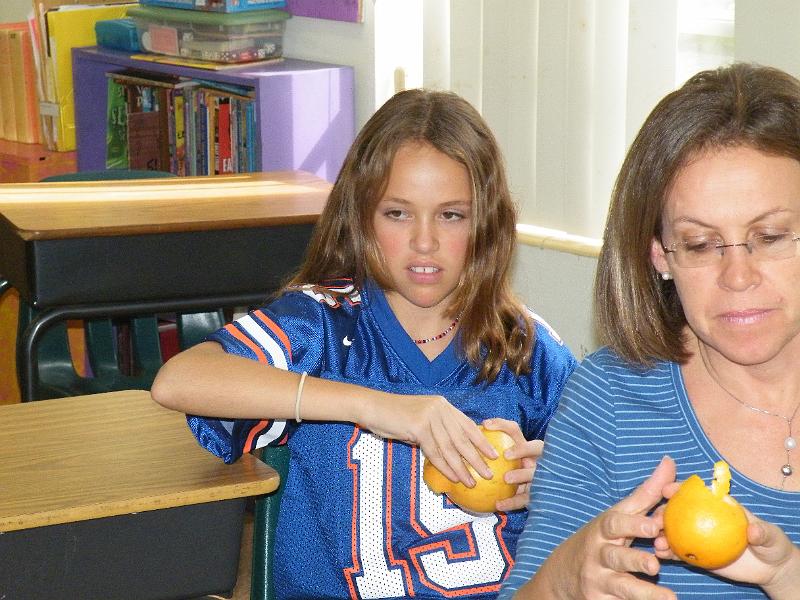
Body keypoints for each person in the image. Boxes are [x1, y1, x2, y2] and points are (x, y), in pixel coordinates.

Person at [151, 88, 577, 599]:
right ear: (362, 217)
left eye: (451, 215)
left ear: (486, 224)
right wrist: (373, 407)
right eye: (398, 213)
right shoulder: (322, 329)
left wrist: (555, 477)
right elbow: (179, 380)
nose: (425, 241)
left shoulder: (521, 346)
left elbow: (615, 471)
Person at [499, 62, 800, 600]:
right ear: (660, 255)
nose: (737, 276)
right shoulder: (609, 399)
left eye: (771, 235)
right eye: (702, 244)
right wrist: (563, 582)